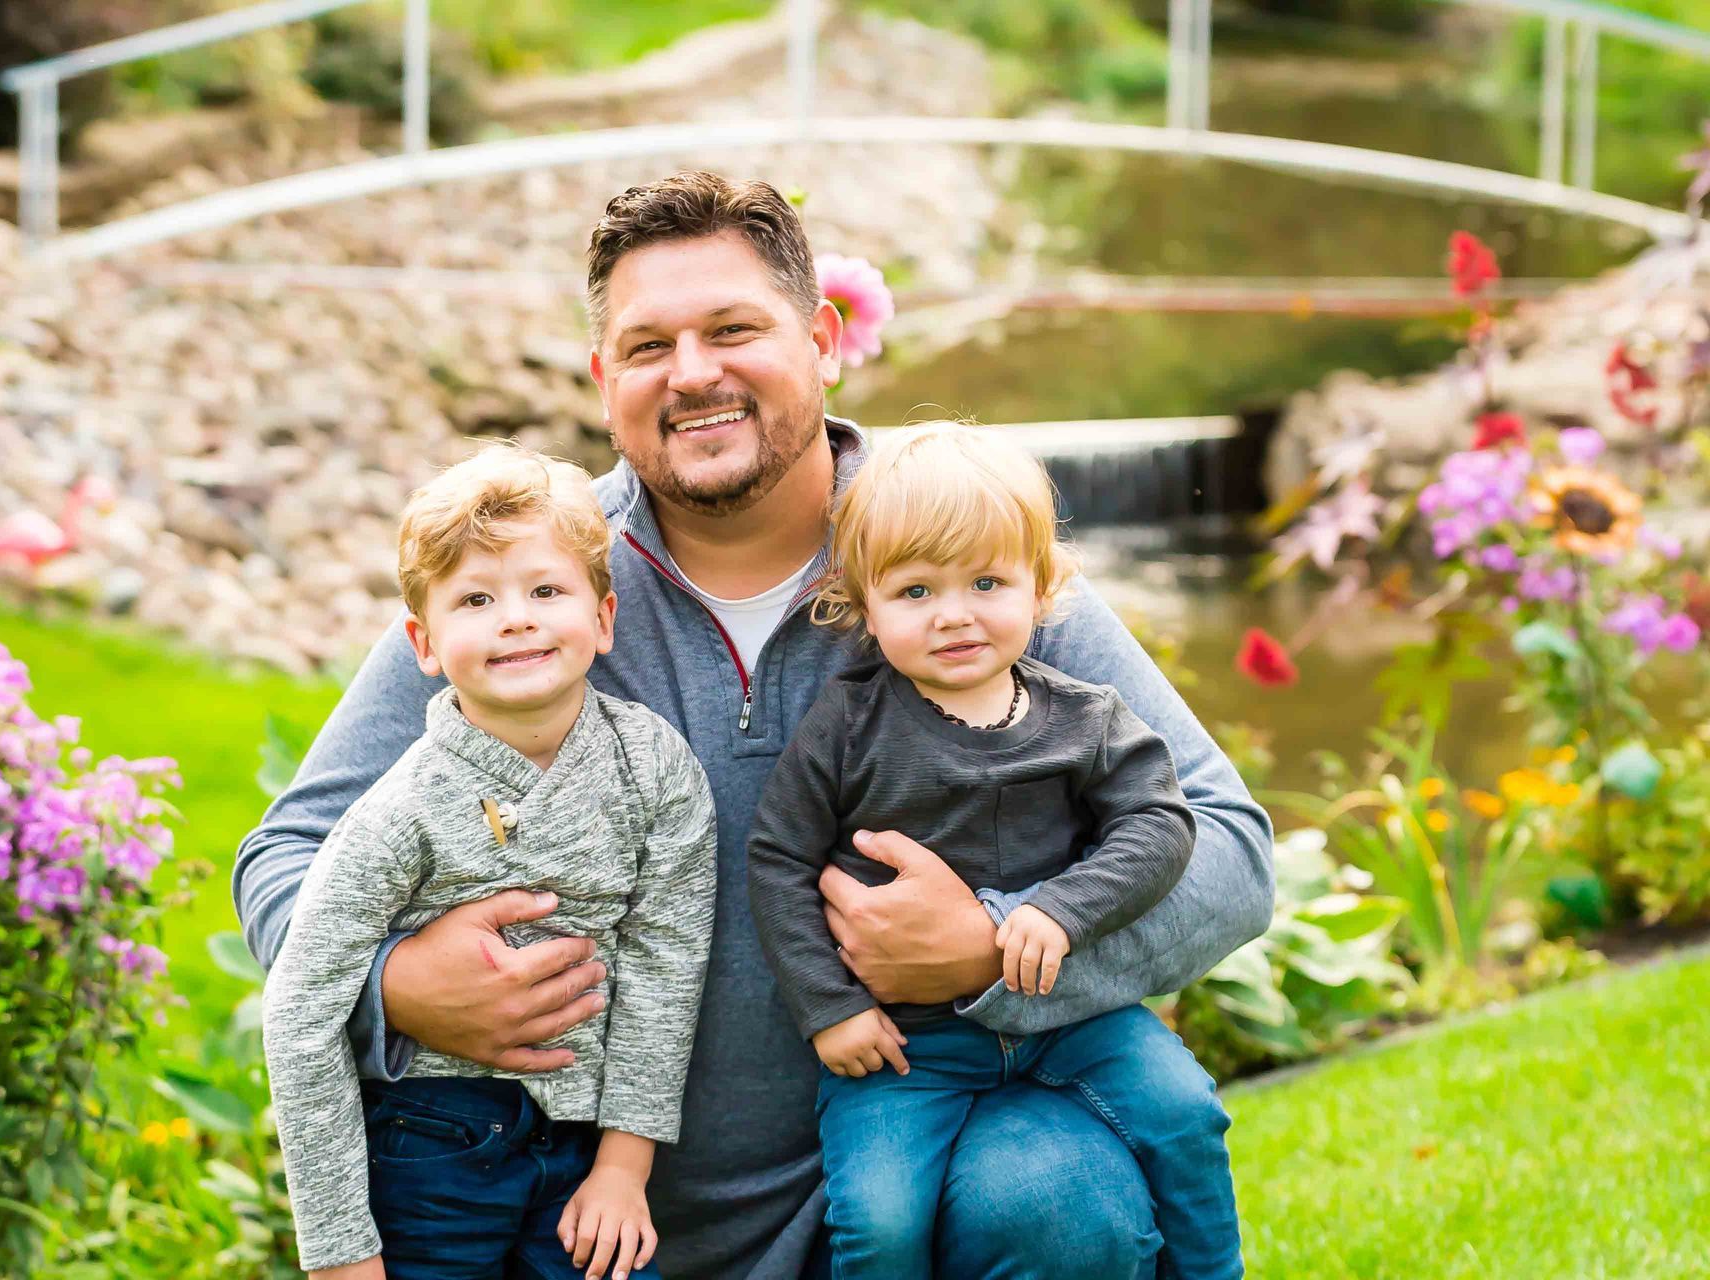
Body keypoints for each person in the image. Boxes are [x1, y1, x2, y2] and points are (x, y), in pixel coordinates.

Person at [235, 170, 1275, 1280]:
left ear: (823, 338)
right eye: (647, 347)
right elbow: (283, 861)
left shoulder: (955, 553)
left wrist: (995, 945)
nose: (694, 374)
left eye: (734, 328)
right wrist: (396, 981)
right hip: (598, 1223)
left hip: (927, 1148)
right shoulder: (534, 592)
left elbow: (1228, 847)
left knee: (1057, 1198)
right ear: (601, 379)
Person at [746, 422, 1241, 1279]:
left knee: (1185, 1115)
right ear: (864, 608)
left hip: (1072, 1021)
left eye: (986, 582)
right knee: (879, 1220)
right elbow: (779, 859)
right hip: (906, 1048)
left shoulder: (1086, 718)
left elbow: (1160, 824)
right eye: (914, 592)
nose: (954, 615)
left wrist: (1058, 909)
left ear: (1043, 589)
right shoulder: (848, 729)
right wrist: (828, 1005)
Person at [260, 445, 717, 1280]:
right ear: (423, 643)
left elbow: (667, 961)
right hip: (430, 1146)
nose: (516, 617)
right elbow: (300, 1011)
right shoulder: (398, 812)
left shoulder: (655, 768)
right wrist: (340, 1251)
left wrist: (625, 1165)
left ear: (605, 618)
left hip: (585, 1153)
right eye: (476, 599)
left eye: (546, 590)